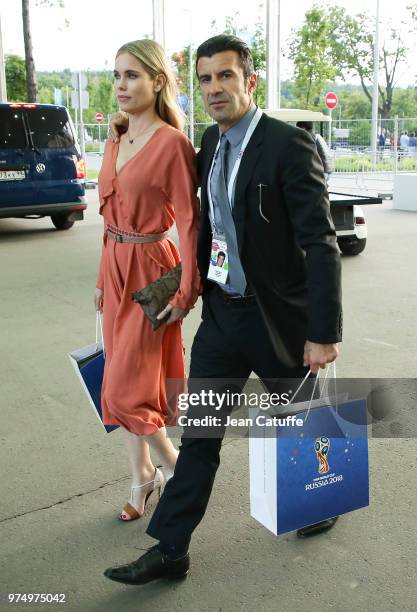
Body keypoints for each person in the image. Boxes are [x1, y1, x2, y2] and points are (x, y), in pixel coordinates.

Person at [104, 34, 342, 585]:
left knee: (300, 419)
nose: (214, 88)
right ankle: (170, 548)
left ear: (249, 81)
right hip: (223, 318)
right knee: (201, 436)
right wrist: (180, 290)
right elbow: (199, 226)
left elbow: (320, 243)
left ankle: (323, 496)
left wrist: (322, 331)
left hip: (278, 321)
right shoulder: (208, 144)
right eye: (205, 78)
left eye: (225, 76)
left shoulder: (287, 145)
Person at [95, 39, 200, 523]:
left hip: (150, 270)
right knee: (124, 379)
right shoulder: (116, 136)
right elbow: (109, 218)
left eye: (132, 75)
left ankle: (177, 470)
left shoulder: (171, 143)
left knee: (124, 390)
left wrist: (188, 287)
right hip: (114, 266)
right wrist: (101, 278)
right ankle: (141, 479)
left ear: (158, 81)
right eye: (117, 75)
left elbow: (190, 221)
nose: (120, 85)